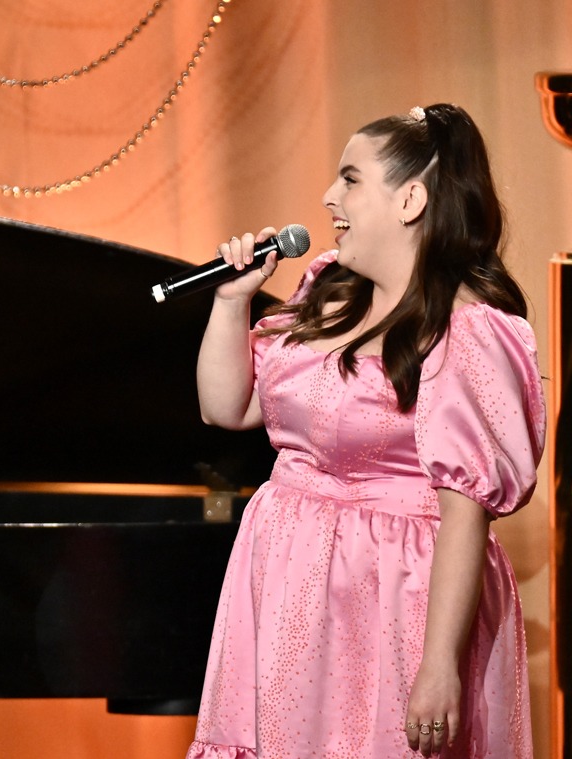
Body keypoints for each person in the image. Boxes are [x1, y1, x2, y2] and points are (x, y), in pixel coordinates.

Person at [186, 103, 544, 758]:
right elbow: (226, 408)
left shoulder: (468, 329)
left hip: (390, 594)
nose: (329, 198)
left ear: (410, 199)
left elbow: (465, 513)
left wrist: (439, 666)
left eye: (350, 179)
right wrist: (231, 300)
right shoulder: (330, 288)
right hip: (291, 578)